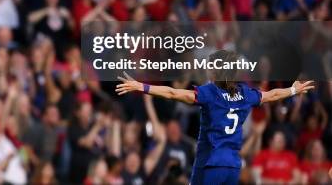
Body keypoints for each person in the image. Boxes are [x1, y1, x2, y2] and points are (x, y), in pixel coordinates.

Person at [115, 50, 315, 185]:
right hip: (232, 165)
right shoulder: (246, 93)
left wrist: (142, 87)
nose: (208, 69)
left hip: (212, 163)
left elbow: (175, 93)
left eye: (210, 66)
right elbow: (271, 95)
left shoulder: (210, 93)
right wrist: (292, 90)